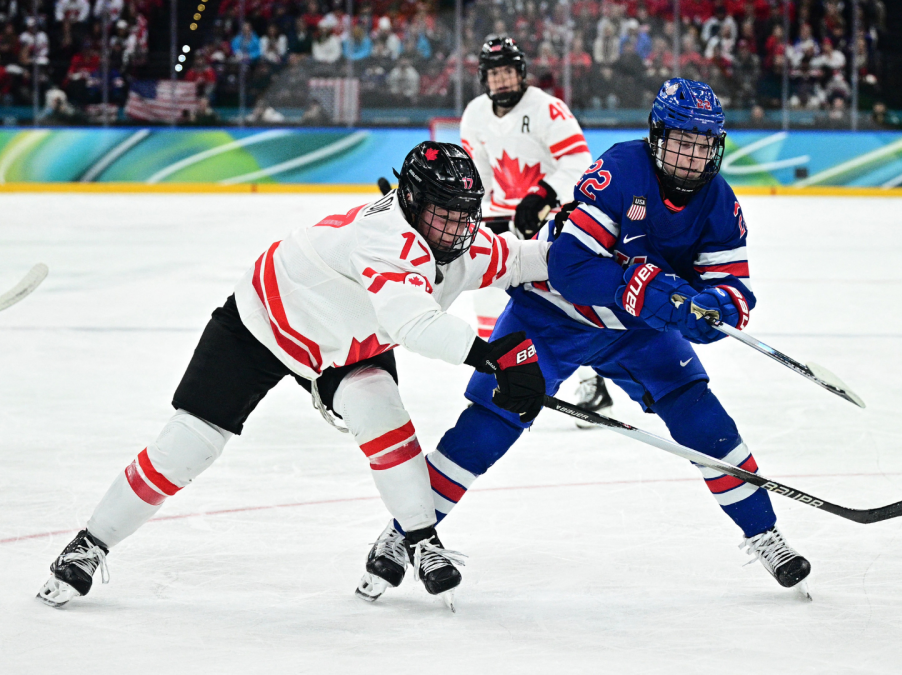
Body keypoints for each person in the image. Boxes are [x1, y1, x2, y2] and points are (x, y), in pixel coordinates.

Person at [37, 142, 550, 612]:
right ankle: (90, 543)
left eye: (466, 213)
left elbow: (526, 259)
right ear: (412, 202)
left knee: (383, 416)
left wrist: (606, 253)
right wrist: (492, 357)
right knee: (190, 443)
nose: (458, 227)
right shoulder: (383, 237)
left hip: (346, 346)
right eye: (445, 213)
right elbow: (412, 322)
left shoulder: (463, 243)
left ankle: (419, 540)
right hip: (264, 321)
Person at [362, 79, 812, 599]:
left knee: (700, 414)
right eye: (680, 142)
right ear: (656, 136)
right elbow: (569, 266)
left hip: (635, 335)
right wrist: (648, 290)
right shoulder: (620, 169)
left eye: (701, 144)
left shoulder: (720, 203)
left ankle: (765, 534)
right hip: (553, 317)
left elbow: (734, 293)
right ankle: (403, 534)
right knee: (492, 419)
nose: (690, 157)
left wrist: (706, 313)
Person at [460, 37, 609, 423]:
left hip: (550, 222)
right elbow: (479, 175)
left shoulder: (547, 109)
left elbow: (579, 161)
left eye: (509, 71)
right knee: (487, 300)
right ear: (484, 78)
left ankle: (593, 384)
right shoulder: (475, 115)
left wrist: (542, 194)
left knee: (563, 305)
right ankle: (501, 378)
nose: (503, 81)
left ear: (522, 72)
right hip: (501, 224)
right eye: (495, 74)